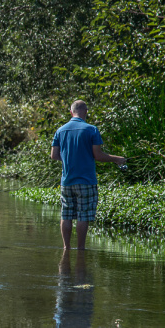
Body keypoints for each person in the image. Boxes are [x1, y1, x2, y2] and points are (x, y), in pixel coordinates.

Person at [50, 100, 126, 250]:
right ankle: (80, 249)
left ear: (71, 113)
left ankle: (66, 248)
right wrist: (117, 159)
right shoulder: (91, 129)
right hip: (86, 181)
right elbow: (97, 155)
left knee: (66, 215)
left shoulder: (60, 130)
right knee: (83, 216)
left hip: (67, 181)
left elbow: (54, 155)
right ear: (86, 112)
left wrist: (68, 159)